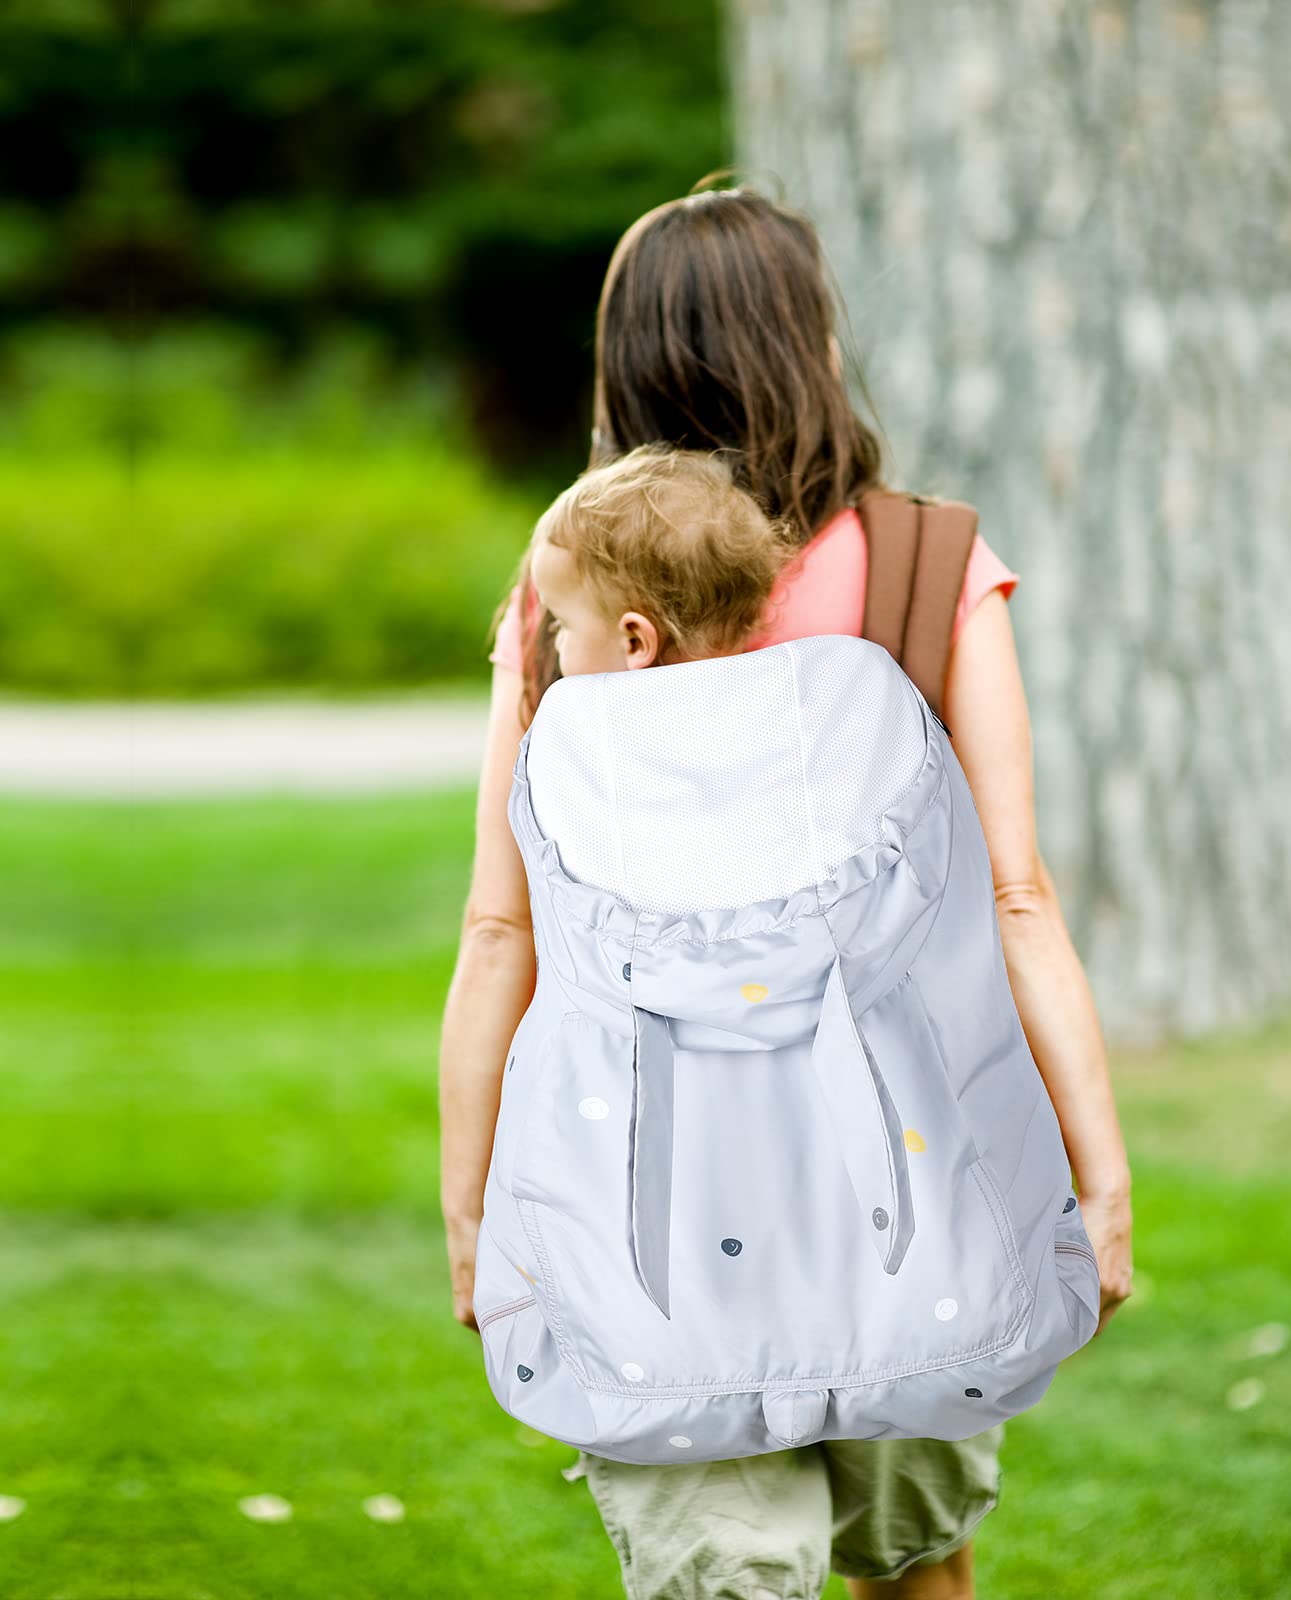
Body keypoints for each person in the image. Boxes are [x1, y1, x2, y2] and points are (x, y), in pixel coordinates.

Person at [440, 181, 1134, 1600]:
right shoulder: (932, 563)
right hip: (915, 1163)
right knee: (918, 1563)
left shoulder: (564, 589)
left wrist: (474, 1214)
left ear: (623, 360)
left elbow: (502, 924)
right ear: (810, 343)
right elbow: (1015, 897)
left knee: (717, 1579)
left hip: (653, 1185)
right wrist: (1097, 1178)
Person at [518, 442, 791, 679]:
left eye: (563, 623)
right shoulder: (770, 711)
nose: (554, 642)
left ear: (635, 641)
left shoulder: (600, 732)